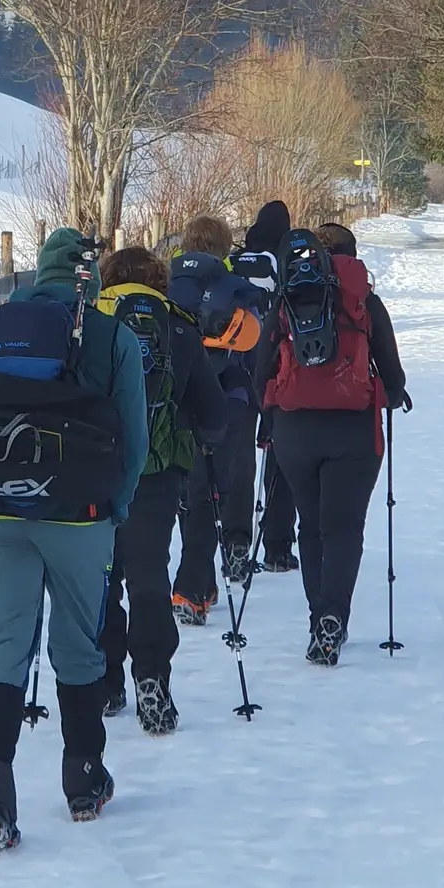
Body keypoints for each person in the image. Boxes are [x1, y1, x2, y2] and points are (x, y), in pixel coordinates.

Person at [0, 228, 149, 851]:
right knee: (78, 644)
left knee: (4, 644)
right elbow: (135, 438)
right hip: (79, 515)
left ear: (40, 272)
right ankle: (84, 778)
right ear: (91, 279)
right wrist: (115, 509)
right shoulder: (112, 335)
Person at [257, 221, 409, 665]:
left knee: (311, 524)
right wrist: (391, 393)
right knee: (344, 529)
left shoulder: (286, 301)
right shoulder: (365, 303)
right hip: (354, 432)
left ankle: (316, 618)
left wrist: (271, 412)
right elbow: (394, 378)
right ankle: (334, 618)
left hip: (295, 432)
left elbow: (260, 369)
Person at [94, 245, 228, 734]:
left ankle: (105, 683)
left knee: (99, 580)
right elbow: (213, 414)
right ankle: (152, 679)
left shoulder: (90, 322)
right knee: (148, 577)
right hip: (156, 475)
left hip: (97, 472)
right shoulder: (178, 327)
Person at [167, 214, 263, 623]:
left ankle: (196, 587)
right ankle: (196, 586)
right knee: (214, 492)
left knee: (190, 495)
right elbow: (255, 352)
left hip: (174, 406)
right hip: (227, 401)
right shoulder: (239, 289)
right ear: (225, 249)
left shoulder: (165, 287)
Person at [236, 200, 298, 572]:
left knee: (240, 461)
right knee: (280, 458)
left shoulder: (240, 259)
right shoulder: (288, 258)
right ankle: (277, 545)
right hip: (277, 368)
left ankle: (237, 540)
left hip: (237, 366)